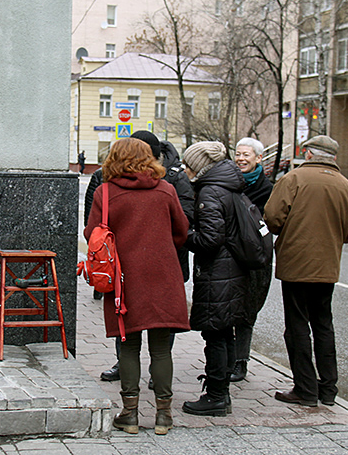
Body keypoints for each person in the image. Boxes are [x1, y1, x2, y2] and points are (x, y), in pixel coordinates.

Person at [84, 137, 190, 435]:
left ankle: (129, 415)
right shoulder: (166, 190)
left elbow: (92, 233)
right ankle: (164, 416)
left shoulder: (105, 193)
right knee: (160, 348)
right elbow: (181, 232)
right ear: (150, 159)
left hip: (123, 280)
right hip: (163, 277)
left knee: (128, 346)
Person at [263, 135, 348, 407]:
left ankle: (305, 388)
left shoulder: (293, 180)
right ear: (333, 158)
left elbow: (272, 218)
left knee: (297, 327)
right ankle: (328, 388)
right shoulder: (347, 186)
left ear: (308, 154)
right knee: (323, 324)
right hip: (328, 266)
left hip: (296, 264)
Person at [180, 141, 247, 417]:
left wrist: (183, 236)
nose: (185, 169)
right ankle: (222, 392)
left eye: (188, 164)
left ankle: (216, 396)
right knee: (224, 331)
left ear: (199, 166)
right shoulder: (230, 186)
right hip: (232, 269)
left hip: (218, 272)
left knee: (215, 333)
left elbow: (210, 239)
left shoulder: (210, 191)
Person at [230, 137, 274, 382]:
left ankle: (241, 361)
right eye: (238, 154)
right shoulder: (229, 183)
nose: (241, 159)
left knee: (248, 310)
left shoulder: (266, 189)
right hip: (231, 254)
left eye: (246, 155)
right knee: (228, 306)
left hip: (256, 257)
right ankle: (226, 358)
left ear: (258, 158)